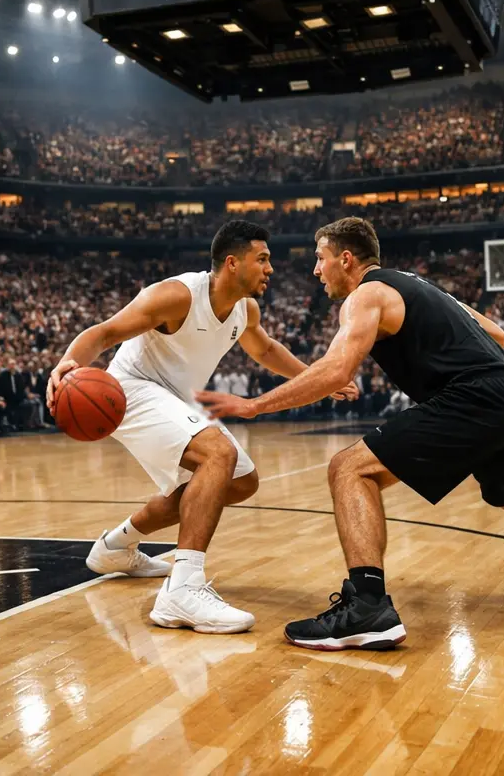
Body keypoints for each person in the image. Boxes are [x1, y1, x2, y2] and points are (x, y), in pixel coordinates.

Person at [199, 218, 504, 651]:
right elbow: (497, 334)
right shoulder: (419, 285)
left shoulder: (366, 294)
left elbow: (335, 370)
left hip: (477, 397)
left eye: (320, 258)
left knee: (349, 468)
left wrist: (253, 405)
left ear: (346, 259)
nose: (316, 270)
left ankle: (367, 606)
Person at [47, 220, 356, 635]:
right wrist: (66, 365)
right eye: (262, 259)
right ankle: (182, 589)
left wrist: (317, 377)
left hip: (178, 397)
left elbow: (265, 349)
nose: (270, 268)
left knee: (241, 482)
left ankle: (116, 546)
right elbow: (105, 333)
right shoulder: (177, 295)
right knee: (218, 454)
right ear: (232, 263)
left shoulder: (246, 309)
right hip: (132, 388)